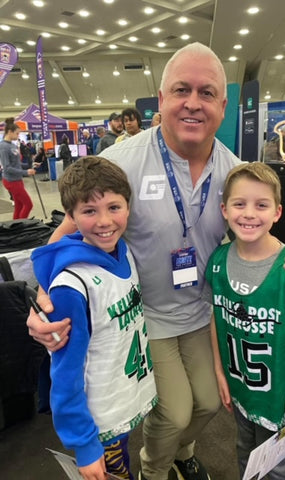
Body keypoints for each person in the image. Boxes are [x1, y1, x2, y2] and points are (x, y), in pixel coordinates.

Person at [27, 43, 285, 480]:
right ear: (161, 98)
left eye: (207, 93)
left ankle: (183, 450)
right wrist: (44, 301)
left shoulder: (233, 172)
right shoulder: (119, 163)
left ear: (223, 106)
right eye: (181, 90)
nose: (193, 103)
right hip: (144, 316)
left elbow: (256, 228)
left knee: (208, 403)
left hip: (201, 314)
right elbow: (66, 232)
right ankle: (155, 467)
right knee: (174, 411)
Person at [31, 156, 157, 480]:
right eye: (89, 211)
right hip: (97, 421)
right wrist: (84, 444)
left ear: (128, 207)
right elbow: (65, 374)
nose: (104, 221)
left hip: (119, 399)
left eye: (114, 208)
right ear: (71, 217)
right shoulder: (71, 288)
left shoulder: (122, 250)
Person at [205, 162, 285, 479]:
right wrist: (219, 370)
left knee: (277, 469)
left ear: (278, 212)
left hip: (279, 400)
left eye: (261, 205)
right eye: (239, 204)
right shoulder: (217, 261)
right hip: (242, 390)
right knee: (246, 456)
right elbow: (217, 318)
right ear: (224, 209)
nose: (249, 213)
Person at [0, 117, 37, 219]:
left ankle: (16, 226)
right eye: (17, 133)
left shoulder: (12, 145)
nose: (18, 136)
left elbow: (16, 164)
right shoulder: (3, 147)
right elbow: (7, 168)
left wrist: (29, 164)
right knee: (28, 205)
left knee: (19, 205)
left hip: (17, 180)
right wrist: (25, 172)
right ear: (10, 132)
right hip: (11, 181)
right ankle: (22, 226)